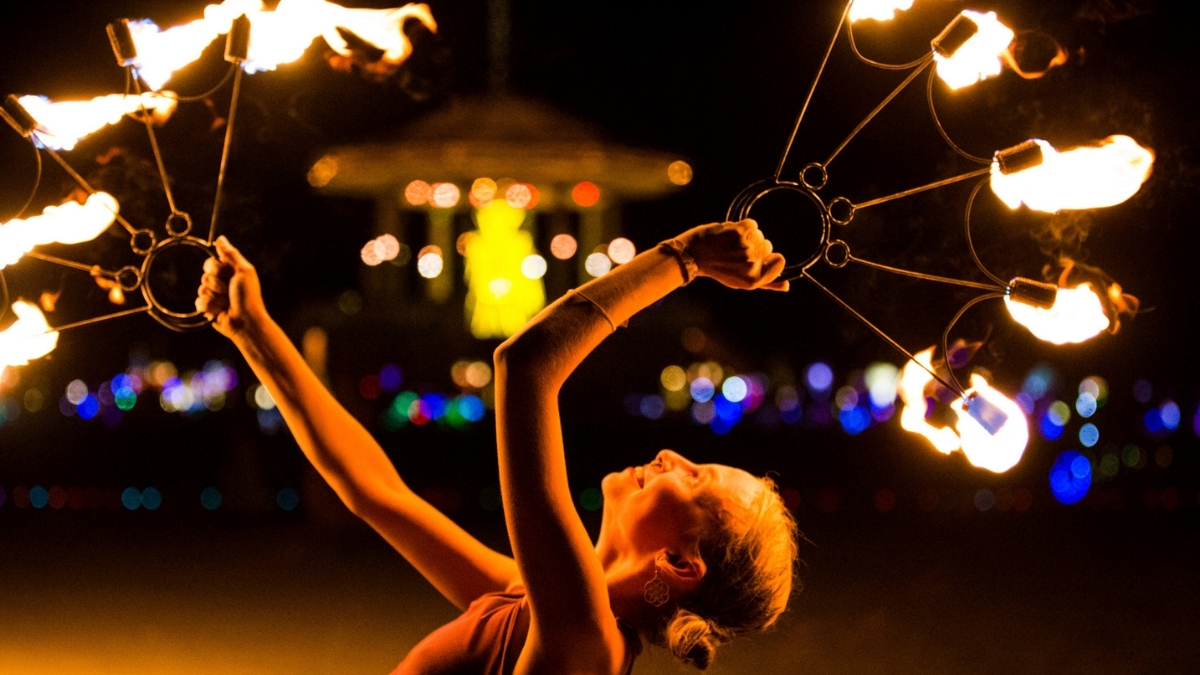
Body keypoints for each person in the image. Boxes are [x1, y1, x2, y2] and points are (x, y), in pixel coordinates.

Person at [196, 218, 800, 674]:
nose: (674, 456)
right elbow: (375, 493)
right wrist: (252, 329)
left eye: (695, 479)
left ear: (679, 564)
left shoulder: (586, 637)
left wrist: (683, 257)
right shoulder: (538, 599)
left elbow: (527, 362)